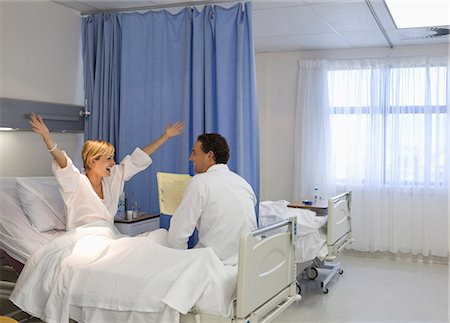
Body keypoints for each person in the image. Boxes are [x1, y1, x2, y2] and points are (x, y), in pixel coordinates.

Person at [30, 113, 184, 230]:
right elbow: (63, 163)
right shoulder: (76, 183)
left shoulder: (112, 178)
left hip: (107, 237)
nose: (113, 162)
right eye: (108, 158)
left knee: (157, 237)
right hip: (83, 240)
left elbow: (138, 159)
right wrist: (47, 138)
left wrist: (165, 137)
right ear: (92, 161)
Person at [167, 133, 257, 265]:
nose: (190, 158)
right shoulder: (243, 183)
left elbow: (177, 236)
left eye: (194, 153)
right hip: (247, 264)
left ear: (209, 155)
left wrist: (177, 266)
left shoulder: (199, 182)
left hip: (215, 266)